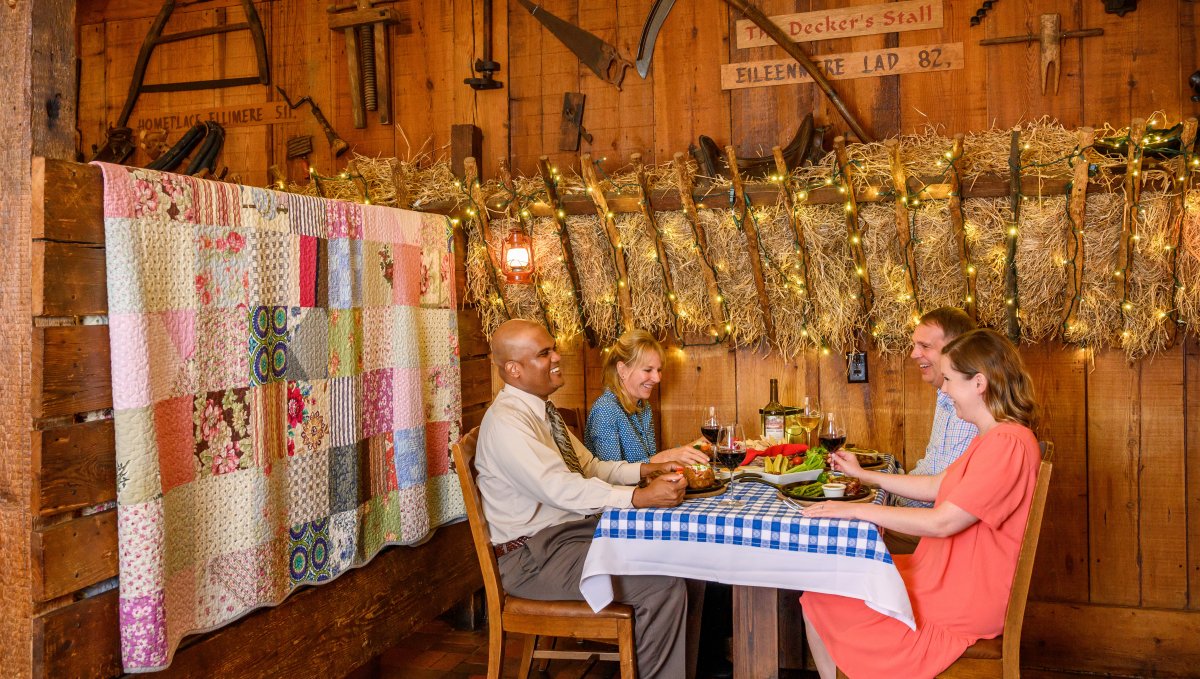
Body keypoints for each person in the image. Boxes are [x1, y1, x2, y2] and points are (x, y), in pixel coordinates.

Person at [799, 329, 1042, 679]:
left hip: (963, 598)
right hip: (948, 579)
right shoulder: (994, 436)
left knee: (825, 593)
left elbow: (942, 522)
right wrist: (866, 477)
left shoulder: (1008, 444)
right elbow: (935, 485)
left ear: (979, 383)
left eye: (949, 380)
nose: (943, 390)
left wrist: (854, 508)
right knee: (829, 584)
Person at [475, 319, 691, 679]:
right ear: (513, 369)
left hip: (568, 539)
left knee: (677, 558)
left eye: (553, 348)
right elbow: (562, 489)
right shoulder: (508, 424)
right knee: (662, 586)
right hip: (532, 558)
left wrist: (645, 471)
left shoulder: (542, 412)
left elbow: (589, 467)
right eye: (545, 353)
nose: (558, 357)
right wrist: (638, 498)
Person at [887, 307, 979, 554]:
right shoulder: (945, 395)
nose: (914, 354)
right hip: (924, 521)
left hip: (938, 541)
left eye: (924, 346)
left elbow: (939, 494)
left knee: (843, 533)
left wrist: (882, 499)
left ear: (956, 349)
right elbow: (934, 471)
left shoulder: (970, 411)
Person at [584, 329, 708, 466]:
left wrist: (694, 447)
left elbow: (650, 463)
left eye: (659, 370)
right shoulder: (605, 410)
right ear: (623, 370)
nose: (657, 378)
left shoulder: (644, 407)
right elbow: (610, 475)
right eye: (648, 370)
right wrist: (669, 456)